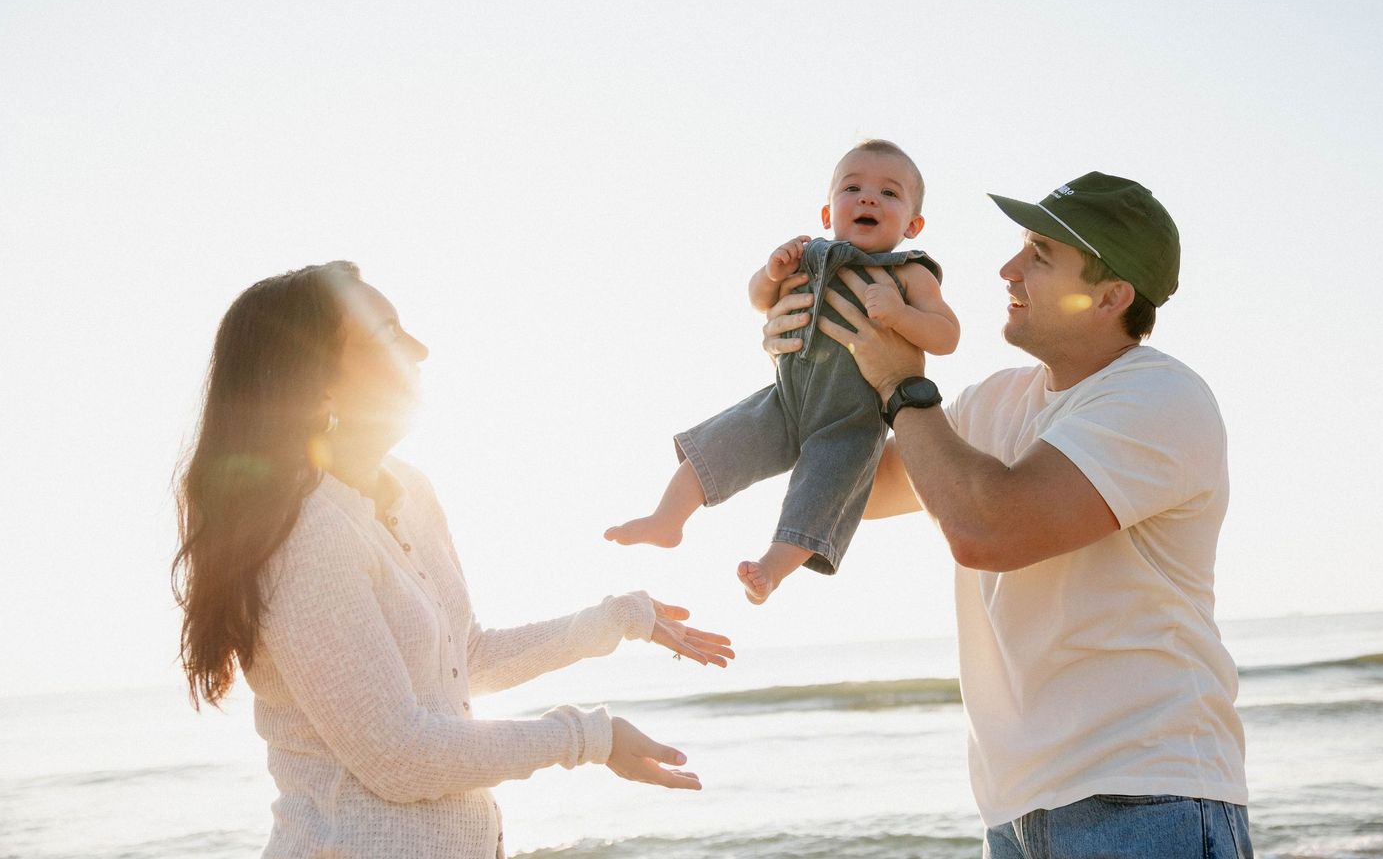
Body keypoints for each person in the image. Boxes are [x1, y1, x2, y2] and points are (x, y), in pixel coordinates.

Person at [171, 261, 734, 859]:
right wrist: (587, 737)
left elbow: (465, 659)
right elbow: (399, 757)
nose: (420, 349)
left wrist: (617, 619)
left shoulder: (409, 491)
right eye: (388, 335)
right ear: (319, 383)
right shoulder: (304, 532)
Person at [763, 173, 1253, 857]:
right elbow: (857, 492)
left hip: (1144, 800)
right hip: (1019, 811)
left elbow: (987, 528)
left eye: (1041, 257)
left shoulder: (1160, 397)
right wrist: (811, 358)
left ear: (1111, 297)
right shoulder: (994, 402)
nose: (1007, 269)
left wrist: (902, 385)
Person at [605, 139, 960, 604]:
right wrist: (771, 274)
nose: (869, 198)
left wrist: (899, 314)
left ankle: (771, 569)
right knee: (719, 444)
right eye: (852, 188)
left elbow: (946, 335)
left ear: (913, 224)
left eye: (889, 193)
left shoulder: (910, 274)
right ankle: (667, 519)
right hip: (786, 397)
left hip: (850, 417)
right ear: (828, 215)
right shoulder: (807, 254)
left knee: (821, 491)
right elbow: (760, 301)